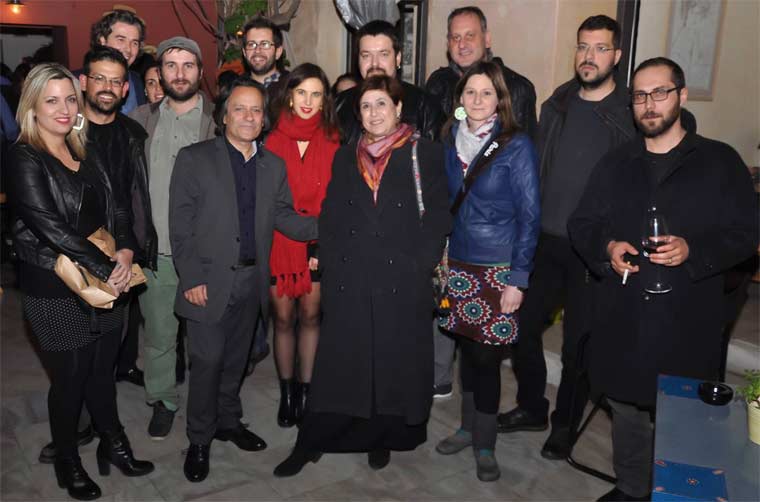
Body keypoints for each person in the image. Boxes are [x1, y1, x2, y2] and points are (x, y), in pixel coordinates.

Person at [568, 57, 758, 502]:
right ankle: (631, 487)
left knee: (683, 414)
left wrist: (694, 251)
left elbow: (746, 234)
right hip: (625, 313)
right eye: (640, 96)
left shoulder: (719, 161)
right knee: (625, 408)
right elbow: (582, 223)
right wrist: (608, 248)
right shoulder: (616, 162)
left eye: (659, 92)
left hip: (687, 316)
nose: (649, 104)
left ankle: (675, 491)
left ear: (682, 95)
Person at [274, 75, 451, 477]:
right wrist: (330, 261)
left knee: (389, 363)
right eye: (366, 106)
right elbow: (333, 214)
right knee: (341, 363)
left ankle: (380, 437)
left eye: (381, 104)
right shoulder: (346, 156)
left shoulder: (424, 153)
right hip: (351, 276)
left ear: (398, 108)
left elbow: (439, 216)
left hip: (400, 278)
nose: (374, 113)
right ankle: (313, 440)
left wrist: (419, 265)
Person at [7, 63, 153, 501]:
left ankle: (113, 442)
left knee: (102, 373)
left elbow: (119, 207)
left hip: (105, 278)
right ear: (32, 106)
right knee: (71, 380)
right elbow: (52, 228)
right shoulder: (23, 157)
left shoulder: (85, 149)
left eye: (70, 98)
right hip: (54, 286)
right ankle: (68, 459)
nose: (64, 108)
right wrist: (109, 268)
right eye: (51, 100)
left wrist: (125, 251)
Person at [497, 15, 637, 461]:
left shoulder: (629, 114)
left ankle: (563, 426)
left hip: (593, 249)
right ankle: (532, 406)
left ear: (616, 55)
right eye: (583, 47)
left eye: (600, 48)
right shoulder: (556, 104)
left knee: (578, 344)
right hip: (546, 239)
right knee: (521, 327)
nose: (589, 56)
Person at [169, 77, 318, 482]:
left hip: (253, 281)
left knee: (237, 360)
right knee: (207, 362)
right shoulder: (195, 158)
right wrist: (191, 277)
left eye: (256, 110)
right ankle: (199, 439)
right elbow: (179, 225)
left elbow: (284, 216)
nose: (249, 117)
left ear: (264, 118)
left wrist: (327, 225)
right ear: (224, 116)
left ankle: (228, 421)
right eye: (240, 108)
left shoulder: (273, 165)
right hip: (207, 281)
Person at [435, 61, 540, 482]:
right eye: (470, 92)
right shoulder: (449, 139)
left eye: (486, 93)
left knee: (487, 358)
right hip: (458, 263)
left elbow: (530, 217)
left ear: (500, 100)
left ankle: (485, 443)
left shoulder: (516, 145)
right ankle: (466, 427)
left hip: (498, 268)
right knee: (465, 351)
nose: (477, 100)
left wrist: (519, 279)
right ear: (460, 98)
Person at [129, 36, 216, 441]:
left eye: (188, 65)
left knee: (207, 341)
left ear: (201, 71)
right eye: (171, 65)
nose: (179, 74)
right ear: (159, 73)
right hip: (156, 252)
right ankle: (162, 400)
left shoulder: (220, 121)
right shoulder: (140, 121)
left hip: (204, 254)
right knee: (160, 336)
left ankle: (210, 405)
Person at [264, 63, 340, 427]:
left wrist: (319, 245)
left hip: (320, 241)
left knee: (310, 316)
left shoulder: (334, 141)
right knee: (282, 319)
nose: (308, 101)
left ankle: (307, 392)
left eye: (316, 94)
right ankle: (287, 392)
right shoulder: (271, 141)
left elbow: (339, 201)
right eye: (301, 93)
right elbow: (268, 203)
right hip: (279, 242)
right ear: (289, 97)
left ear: (325, 101)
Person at [425, 6, 536, 138]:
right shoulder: (438, 84)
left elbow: (523, 146)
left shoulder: (516, 88)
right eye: (456, 37)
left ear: (487, 40)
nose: (462, 45)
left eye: (470, 36)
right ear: (448, 44)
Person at [335, 20, 444, 144]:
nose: (374, 64)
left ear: (398, 58)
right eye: (366, 55)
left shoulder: (424, 106)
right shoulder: (339, 105)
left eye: (383, 54)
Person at [88, 8, 147, 114]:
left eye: (134, 43)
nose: (128, 49)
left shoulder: (136, 81)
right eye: (121, 39)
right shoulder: (75, 82)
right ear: (103, 41)